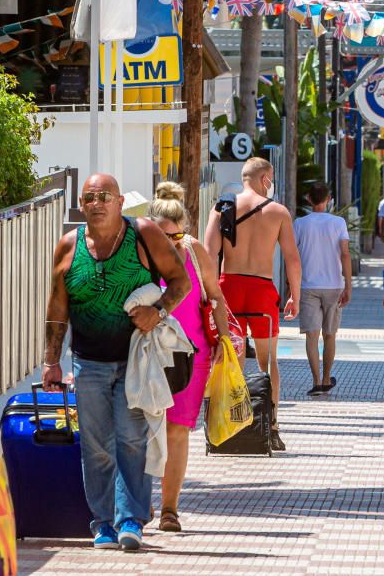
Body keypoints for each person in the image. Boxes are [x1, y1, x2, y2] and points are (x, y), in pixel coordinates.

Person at [42, 174, 192, 550]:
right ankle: (102, 522)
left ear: (120, 201)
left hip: (135, 361)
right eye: (89, 197)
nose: (96, 203)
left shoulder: (143, 234)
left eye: (104, 196)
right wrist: (51, 360)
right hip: (87, 362)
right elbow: (58, 307)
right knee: (95, 445)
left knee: (130, 441)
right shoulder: (68, 246)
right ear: (81, 203)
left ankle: (131, 520)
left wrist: (157, 311)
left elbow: (180, 282)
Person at [146, 182, 231, 534]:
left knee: (177, 431)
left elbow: (216, 297)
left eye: (176, 237)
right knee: (139, 431)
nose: (171, 244)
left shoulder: (195, 252)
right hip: (146, 353)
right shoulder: (139, 251)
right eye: (163, 238)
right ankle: (138, 503)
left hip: (190, 356)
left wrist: (226, 343)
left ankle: (169, 508)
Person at [204, 157, 302, 452]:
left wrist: (209, 295)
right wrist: (294, 295)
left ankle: (221, 422)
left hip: (228, 288)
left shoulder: (222, 208)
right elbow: (292, 259)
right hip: (261, 288)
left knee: (224, 358)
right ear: (265, 180)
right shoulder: (278, 212)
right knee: (267, 362)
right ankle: (270, 427)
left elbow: (209, 254)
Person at [292, 182, 352, 395]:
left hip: (308, 285)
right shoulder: (338, 223)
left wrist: (293, 289)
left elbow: (294, 258)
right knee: (330, 335)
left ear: (309, 199)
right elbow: (345, 254)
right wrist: (349, 285)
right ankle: (327, 378)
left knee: (311, 336)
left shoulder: (300, 224)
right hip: (334, 285)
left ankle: (316, 380)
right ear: (328, 199)